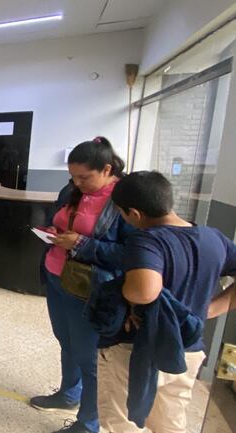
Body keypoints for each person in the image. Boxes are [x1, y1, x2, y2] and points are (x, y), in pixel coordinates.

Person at [96, 171, 236, 433]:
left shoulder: (147, 239)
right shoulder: (213, 238)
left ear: (134, 213)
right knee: (170, 422)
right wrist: (211, 309)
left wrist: (125, 291)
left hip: (139, 349)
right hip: (187, 348)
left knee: (122, 423)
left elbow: (143, 292)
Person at [30, 137, 133, 433]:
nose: (77, 183)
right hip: (57, 277)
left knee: (89, 357)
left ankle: (89, 422)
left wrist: (82, 244)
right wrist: (54, 230)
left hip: (91, 289)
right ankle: (68, 394)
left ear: (107, 169)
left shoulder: (124, 201)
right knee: (66, 341)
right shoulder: (72, 189)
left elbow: (130, 253)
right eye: (72, 176)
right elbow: (60, 217)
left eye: (84, 177)